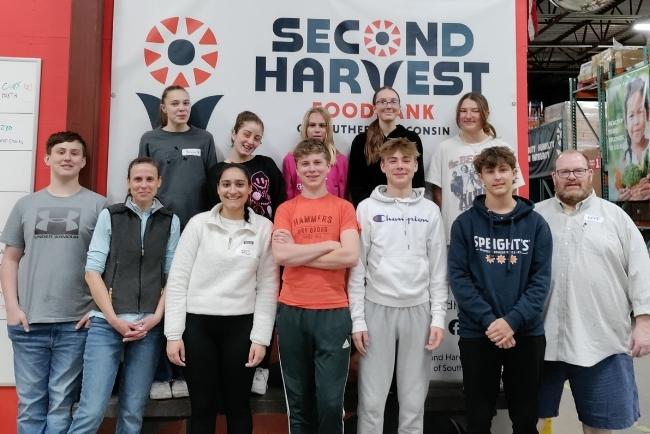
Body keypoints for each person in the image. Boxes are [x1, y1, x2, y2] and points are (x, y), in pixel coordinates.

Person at [536, 150, 650, 434]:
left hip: (602, 342)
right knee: (528, 419)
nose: (571, 177)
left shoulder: (616, 219)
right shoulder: (535, 216)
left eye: (578, 171)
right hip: (540, 341)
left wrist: (644, 323)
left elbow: (641, 271)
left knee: (601, 425)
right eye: (564, 172)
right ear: (554, 178)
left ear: (590, 175)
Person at [0, 131, 107, 434]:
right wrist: (12, 306)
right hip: (28, 324)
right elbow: (10, 259)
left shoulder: (100, 206)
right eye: (61, 152)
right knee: (31, 405)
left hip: (76, 324)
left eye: (75, 153)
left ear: (83, 161)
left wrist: (97, 310)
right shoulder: (25, 205)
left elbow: (109, 264)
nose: (67, 157)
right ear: (47, 158)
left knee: (62, 405)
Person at [68, 157, 180, 434]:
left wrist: (156, 317)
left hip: (148, 329)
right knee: (91, 410)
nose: (143, 185)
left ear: (159, 183)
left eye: (149, 179)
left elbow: (173, 276)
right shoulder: (112, 216)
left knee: (132, 412)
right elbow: (92, 272)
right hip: (107, 325)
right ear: (128, 182)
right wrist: (113, 318)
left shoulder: (171, 221)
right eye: (137, 179)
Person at [165, 163, 279, 434]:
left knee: (238, 406)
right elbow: (178, 280)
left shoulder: (264, 228)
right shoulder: (198, 224)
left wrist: (261, 339)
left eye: (240, 184)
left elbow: (267, 286)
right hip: (198, 327)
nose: (233, 190)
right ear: (217, 189)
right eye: (226, 184)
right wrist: (173, 335)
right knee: (202, 408)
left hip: (242, 328)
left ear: (251, 189)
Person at [448, 146, 552, 434]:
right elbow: (459, 278)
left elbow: (540, 281)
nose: (497, 176)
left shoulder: (536, 225)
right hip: (478, 332)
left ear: (514, 173)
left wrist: (511, 322)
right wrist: (491, 322)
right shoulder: (465, 224)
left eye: (503, 169)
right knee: (479, 417)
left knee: (525, 416)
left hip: (526, 333)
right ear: (481, 177)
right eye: (490, 171)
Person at [348, 138, 448, 434]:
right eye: (393, 160)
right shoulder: (365, 208)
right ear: (382, 166)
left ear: (416, 165)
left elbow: (438, 269)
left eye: (406, 160)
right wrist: (357, 320)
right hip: (376, 309)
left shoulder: (430, 210)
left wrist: (439, 317)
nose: (400, 165)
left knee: (413, 403)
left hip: (418, 311)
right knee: (372, 403)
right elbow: (357, 269)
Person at [139, 84, 223, 398]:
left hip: (197, 231)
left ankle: (186, 373)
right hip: (161, 228)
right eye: (175, 103)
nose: (181, 108)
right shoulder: (150, 139)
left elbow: (214, 184)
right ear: (163, 107)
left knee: (192, 301)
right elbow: (143, 179)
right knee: (162, 296)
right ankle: (162, 374)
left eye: (186, 103)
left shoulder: (204, 139)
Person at [272, 139, 360, 434]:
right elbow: (281, 255)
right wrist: (326, 245)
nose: (311, 169)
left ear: (329, 166)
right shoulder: (286, 209)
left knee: (331, 402)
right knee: (298, 402)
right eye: (305, 164)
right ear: (296, 169)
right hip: (292, 310)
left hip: (333, 312)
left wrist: (300, 253)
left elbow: (349, 255)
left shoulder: (344, 208)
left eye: (317, 163)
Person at [427, 92, 525, 243]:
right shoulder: (444, 149)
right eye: (463, 111)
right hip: (455, 235)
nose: (468, 115)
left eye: (475, 110)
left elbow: (513, 189)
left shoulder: (502, 147)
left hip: (494, 233)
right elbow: (437, 192)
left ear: (485, 113)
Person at [347, 86, 425, 207]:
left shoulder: (412, 139)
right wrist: (369, 210)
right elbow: (355, 185)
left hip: (406, 210)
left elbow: (418, 180)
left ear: (399, 108)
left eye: (393, 102)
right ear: (375, 108)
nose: (388, 106)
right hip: (372, 213)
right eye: (382, 102)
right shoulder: (360, 141)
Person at [217, 110, 285, 221]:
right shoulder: (217, 171)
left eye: (257, 138)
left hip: (266, 234)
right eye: (247, 134)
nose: (250, 141)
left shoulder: (267, 164)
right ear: (234, 134)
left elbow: (281, 202)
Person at [283, 106, 348, 199]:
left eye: (322, 125)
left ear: (328, 130)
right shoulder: (290, 159)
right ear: (305, 128)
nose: (317, 130)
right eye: (312, 125)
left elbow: (343, 198)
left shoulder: (340, 160)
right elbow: (288, 196)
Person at [623, 77, 650, 166]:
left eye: (640, 112)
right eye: (631, 115)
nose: (636, 122)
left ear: (648, 113)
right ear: (625, 122)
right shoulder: (624, 159)